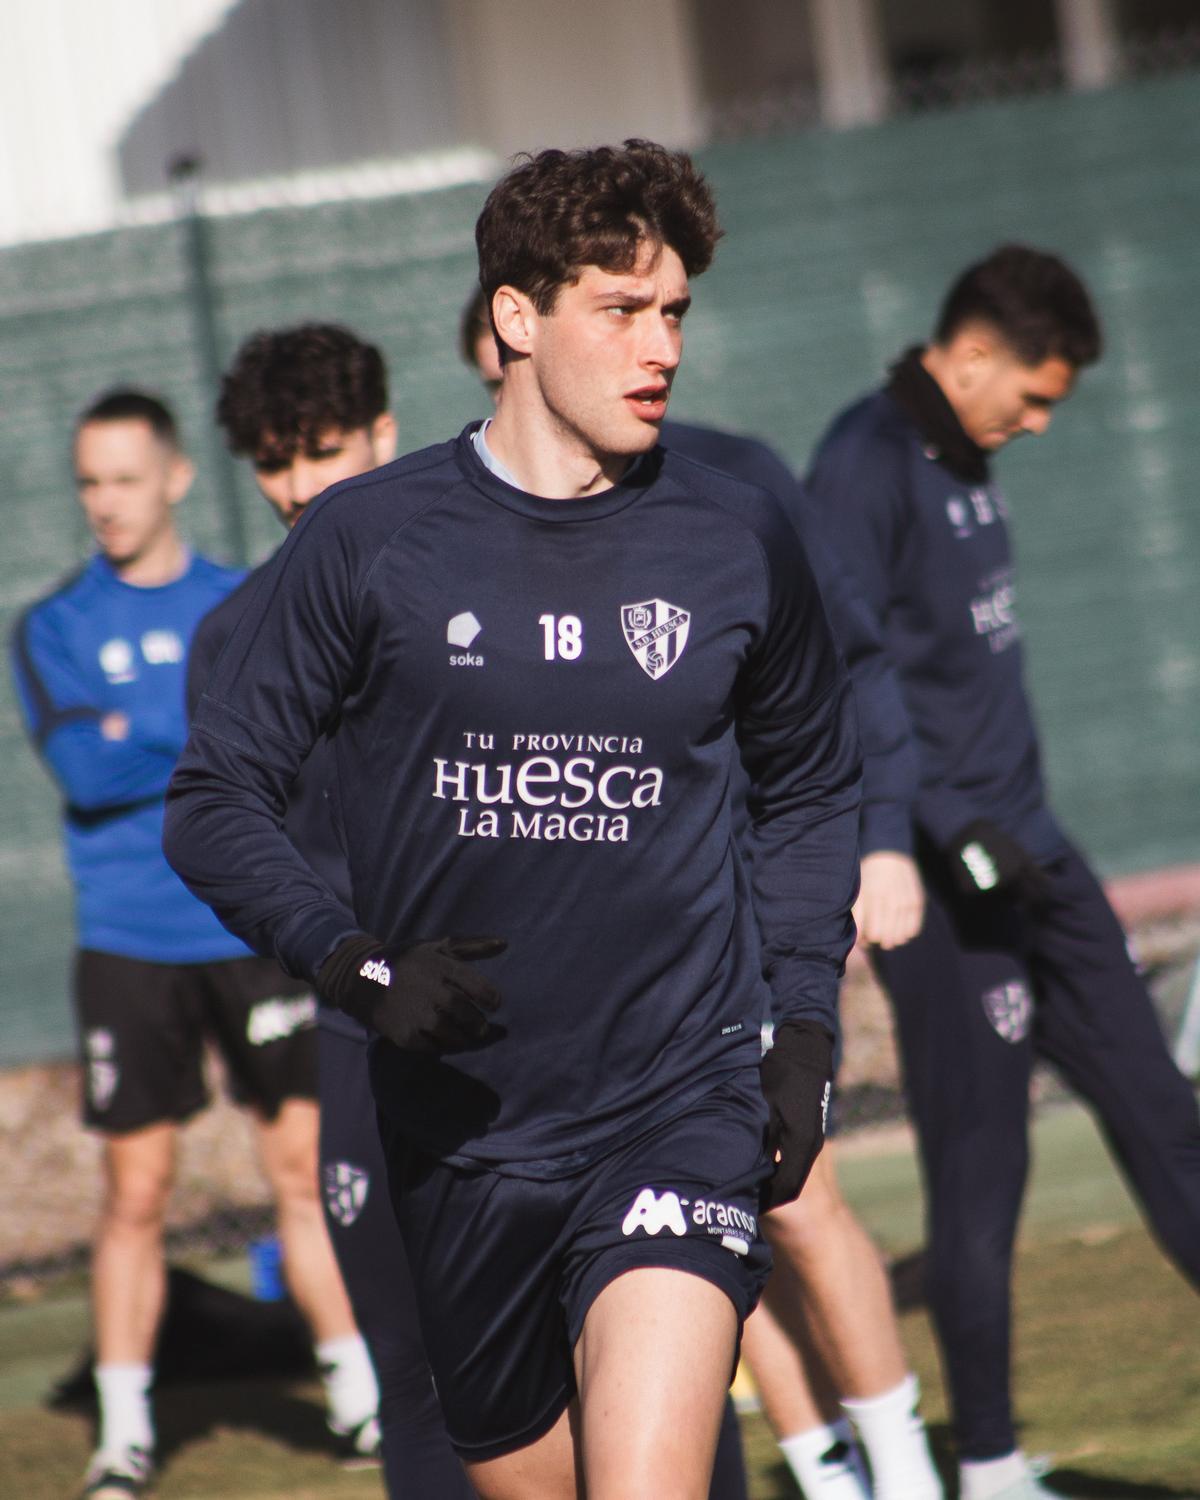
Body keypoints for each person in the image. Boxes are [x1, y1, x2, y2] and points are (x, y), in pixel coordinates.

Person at [164, 139, 862, 1500]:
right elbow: (213, 797)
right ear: (516, 319)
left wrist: (806, 1022)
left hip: (683, 1099)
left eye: (675, 314)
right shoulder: (368, 542)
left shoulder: (735, 543)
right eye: (622, 310)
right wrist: (352, 962)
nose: (660, 347)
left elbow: (814, 787)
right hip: (466, 1131)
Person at [462, 286, 943, 1500]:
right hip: (600, 986)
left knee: (801, 1198)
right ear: (507, 345)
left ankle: (906, 1467)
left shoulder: (736, 489)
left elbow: (848, 680)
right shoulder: (462, 529)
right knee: (703, 1239)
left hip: (736, 930)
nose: (648, 344)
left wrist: (882, 839)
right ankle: (825, 1470)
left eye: (663, 310)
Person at [804, 244, 1200, 1500]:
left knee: (1168, 1124)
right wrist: (902, 838)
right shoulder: (862, 465)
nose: (1035, 424)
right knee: (984, 1179)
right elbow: (839, 681)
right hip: (945, 879)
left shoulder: (966, 454)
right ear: (970, 355)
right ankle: (988, 1465)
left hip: (1042, 854)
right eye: (1030, 397)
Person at [9, 390, 378, 1500]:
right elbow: (83, 772)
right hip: (127, 939)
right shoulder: (52, 626)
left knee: (300, 1175)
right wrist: (208, 721)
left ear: (174, 478)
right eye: (88, 482)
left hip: (254, 921)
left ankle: (358, 1394)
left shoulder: (246, 601)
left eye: (125, 478)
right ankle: (124, 1432)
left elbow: (298, 748)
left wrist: (146, 730)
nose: (105, 503)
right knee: (137, 1192)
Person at [190, 321, 474, 1500]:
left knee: (606, 1348)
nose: (298, 486)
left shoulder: (486, 572)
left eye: (321, 450)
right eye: (271, 458)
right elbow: (224, 830)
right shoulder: (234, 637)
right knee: (412, 1374)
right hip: (363, 1035)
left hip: (541, 1019)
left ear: (384, 434)